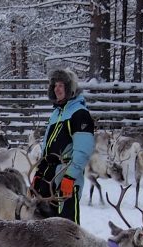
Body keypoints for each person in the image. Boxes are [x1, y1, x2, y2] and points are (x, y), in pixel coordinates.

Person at [31, 68, 95, 224]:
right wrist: (39, 174)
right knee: (43, 225)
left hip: (65, 175)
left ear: (70, 87)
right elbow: (47, 148)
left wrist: (70, 176)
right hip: (49, 176)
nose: (56, 89)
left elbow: (83, 150)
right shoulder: (56, 114)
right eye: (54, 85)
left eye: (61, 85)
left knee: (66, 227)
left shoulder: (80, 114)